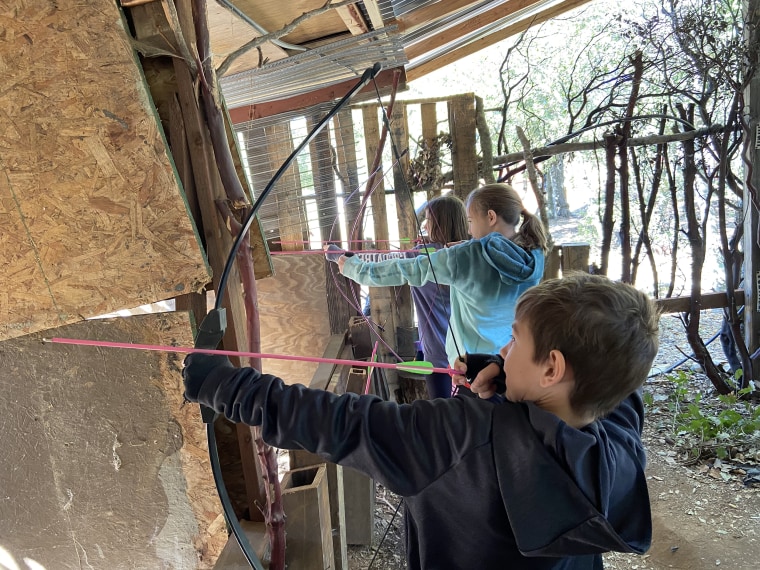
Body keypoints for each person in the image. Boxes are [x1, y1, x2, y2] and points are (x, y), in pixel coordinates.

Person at [182, 273, 659, 569]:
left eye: (514, 341)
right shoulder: (617, 434)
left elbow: (340, 422)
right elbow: (615, 388)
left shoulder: (460, 438)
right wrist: (510, 373)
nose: (506, 349)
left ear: (552, 368)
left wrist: (222, 385)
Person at [332, 183, 548, 390]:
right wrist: (467, 249)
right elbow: (493, 258)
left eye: (471, 221)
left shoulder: (467, 256)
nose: (470, 230)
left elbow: (406, 270)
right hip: (508, 361)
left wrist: (355, 269)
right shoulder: (533, 255)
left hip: (471, 366)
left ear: (491, 217)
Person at [327, 194, 469, 399]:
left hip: (439, 357)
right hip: (471, 354)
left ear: (440, 223)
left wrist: (335, 254)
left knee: (444, 416)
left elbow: (380, 261)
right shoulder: (472, 253)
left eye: (429, 220)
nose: (426, 226)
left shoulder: (423, 256)